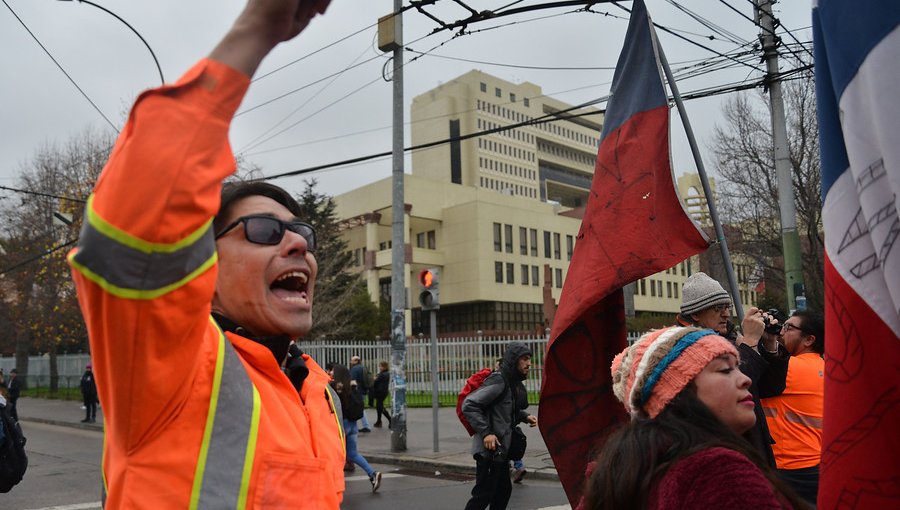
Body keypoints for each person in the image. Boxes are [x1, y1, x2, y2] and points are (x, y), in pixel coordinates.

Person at [66, 1, 347, 507]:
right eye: (263, 230)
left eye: (301, 230)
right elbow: (141, 213)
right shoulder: (168, 368)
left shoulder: (317, 392)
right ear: (204, 270)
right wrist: (257, 30)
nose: (299, 243)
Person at [582, 326, 808, 510]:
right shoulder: (718, 472)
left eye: (739, 368)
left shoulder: (618, 475)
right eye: (724, 370)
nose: (745, 380)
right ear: (675, 393)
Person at [676, 271, 789, 468]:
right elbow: (733, 386)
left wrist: (770, 344)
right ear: (695, 314)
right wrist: (751, 342)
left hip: (755, 446)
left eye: (727, 307)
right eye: (718, 308)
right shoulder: (688, 348)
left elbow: (772, 388)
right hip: (729, 450)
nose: (726, 314)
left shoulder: (731, 340)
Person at [462, 342, 538, 510]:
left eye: (529, 359)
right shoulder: (499, 380)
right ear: (514, 360)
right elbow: (469, 404)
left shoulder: (511, 382)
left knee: (502, 493)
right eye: (524, 359)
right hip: (489, 450)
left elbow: (505, 411)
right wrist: (486, 433)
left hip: (500, 451)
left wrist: (525, 417)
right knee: (482, 497)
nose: (529, 363)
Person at [761, 311, 824, 507]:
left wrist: (752, 337)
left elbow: (749, 375)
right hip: (814, 461)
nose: (781, 332)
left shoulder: (790, 367)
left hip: (788, 465)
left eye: (789, 328)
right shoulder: (824, 366)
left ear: (809, 340)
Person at [331, 364, 382, 493]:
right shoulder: (352, 387)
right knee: (353, 454)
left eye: (333, 371)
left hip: (342, 425)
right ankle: (373, 474)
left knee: (334, 453)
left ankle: (331, 483)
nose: (331, 372)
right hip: (353, 425)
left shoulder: (336, 388)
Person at [349, 355, 372, 432]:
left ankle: (366, 425)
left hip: (357, 391)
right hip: (364, 390)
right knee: (360, 408)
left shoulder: (354, 369)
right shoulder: (363, 367)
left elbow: (352, 380)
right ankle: (365, 425)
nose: (351, 362)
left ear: (356, 361)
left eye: (352, 360)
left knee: (358, 408)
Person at [372, 361, 391, 428]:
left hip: (381, 392)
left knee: (380, 407)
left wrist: (374, 379)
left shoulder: (384, 374)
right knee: (379, 407)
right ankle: (379, 421)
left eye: (381, 366)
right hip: (381, 392)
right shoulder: (383, 373)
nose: (379, 367)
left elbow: (377, 381)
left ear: (384, 367)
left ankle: (390, 420)